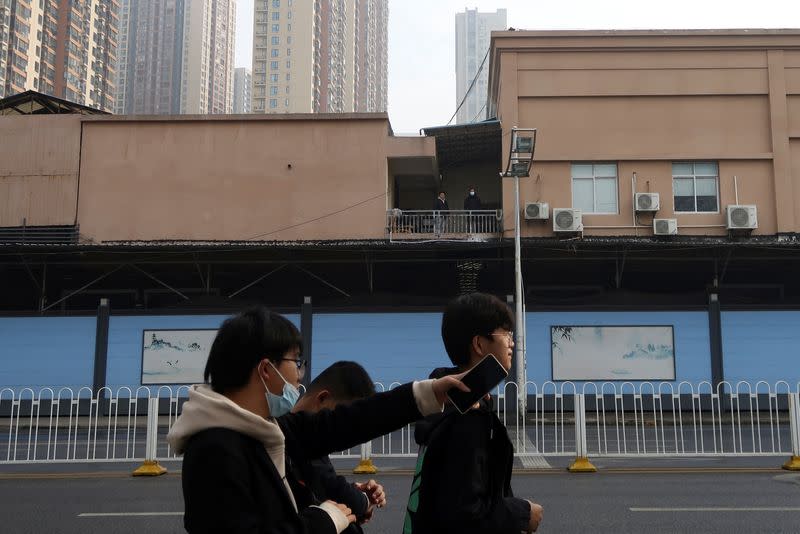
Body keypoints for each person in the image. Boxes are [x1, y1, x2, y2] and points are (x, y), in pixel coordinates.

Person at [167, 306, 467, 534]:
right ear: (266, 369)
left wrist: (429, 393)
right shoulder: (214, 450)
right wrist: (322, 521)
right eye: (296, 361)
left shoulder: (267, 429)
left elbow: (349, 421)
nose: (300, 374)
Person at [403, 293, 544, 534]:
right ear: (479, 344)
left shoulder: (450, 404)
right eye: (506, 335)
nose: (512, 343)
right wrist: (523, 513)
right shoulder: (466, 419)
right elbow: (464, 515)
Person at [289, 361, 385, 534]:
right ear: (323, 399)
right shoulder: (299, 440)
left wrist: (356, 495)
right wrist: (363, 500)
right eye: (343, 422)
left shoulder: (308, 440)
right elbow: (332, 486)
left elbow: (326, 488)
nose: (346, 435)